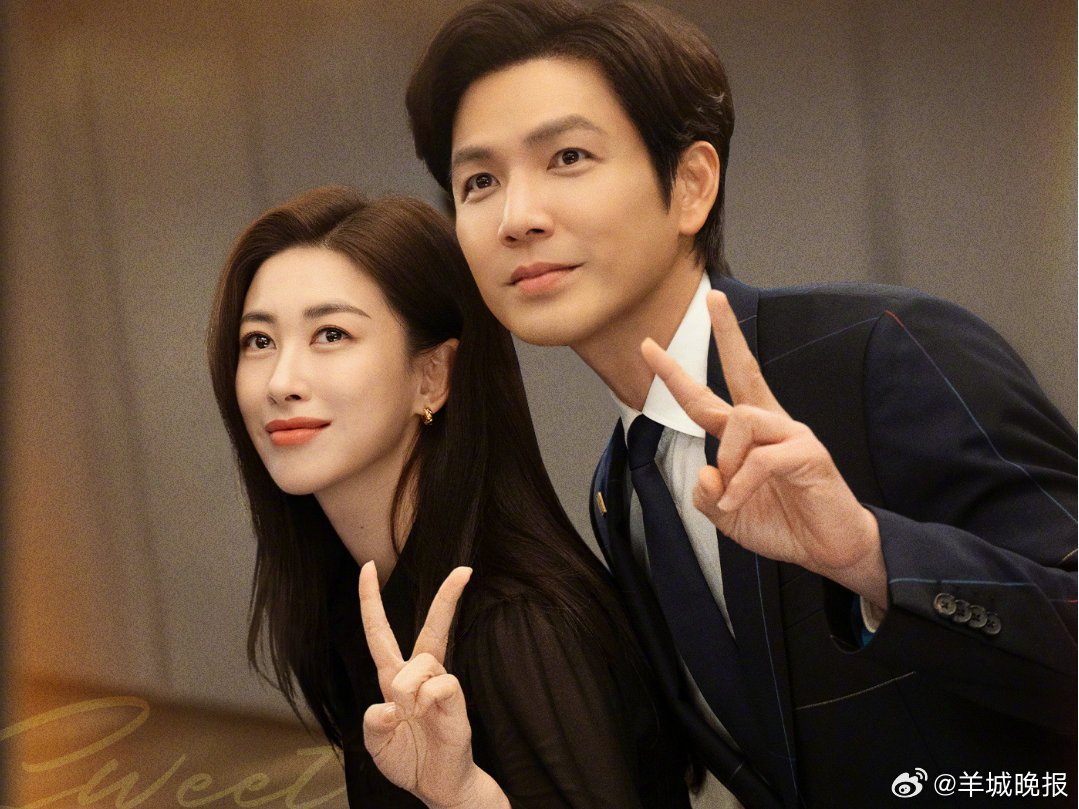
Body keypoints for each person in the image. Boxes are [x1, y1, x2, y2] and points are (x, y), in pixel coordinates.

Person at [404, 1, 1079, 806]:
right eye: (479, 181)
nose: (517, 218)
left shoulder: (880, 349)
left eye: (568, 156)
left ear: (690, 185)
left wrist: (869, 554)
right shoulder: (618, 490)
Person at [206, 186, 694, 808]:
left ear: (432, 376)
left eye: (330, 334)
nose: (281, 382)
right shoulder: (364, 595)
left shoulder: (517, 626)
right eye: (259, 341)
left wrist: (462, 796)